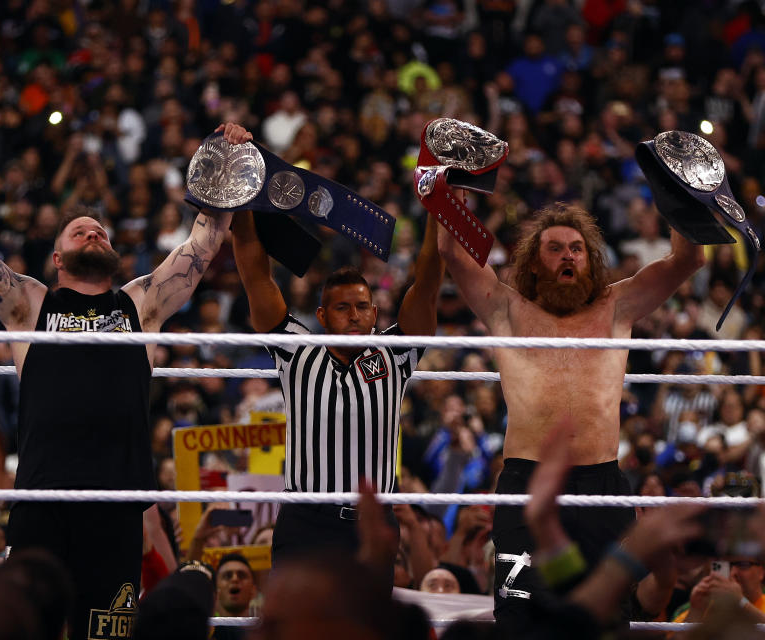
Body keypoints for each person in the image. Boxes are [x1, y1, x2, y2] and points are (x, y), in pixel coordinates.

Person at [0, 122, 246, 640]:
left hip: (115, 505)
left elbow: (204, 242)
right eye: (80, 230)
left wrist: (229, 164)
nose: (94, 233)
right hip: (41, 500)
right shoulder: (29, 303)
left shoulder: (142, 303)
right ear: (58, 257)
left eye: (101, 231)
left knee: (105, 633)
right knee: (26, 628)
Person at [437, 200, 706, 632]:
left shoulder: (617, 306)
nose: (568, 256)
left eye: (577, 248)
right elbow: (452, 253)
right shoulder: (506, 310)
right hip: (526, 485)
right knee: (518, 618)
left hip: (600, 485)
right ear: (534, 262)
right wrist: (450, 184)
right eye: (556, 248)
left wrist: (677, 189)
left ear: (590, 258)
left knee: (606, 619)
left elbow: (689, 258)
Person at [230, 203, 443, 570]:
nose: (355, 315)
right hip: (306, 523)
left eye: (362, 306)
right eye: (343, 308)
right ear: (322, 316)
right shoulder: (296, 350)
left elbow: (426, 286)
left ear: (376, 314)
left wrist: (442, 208)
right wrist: (241, 197)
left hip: (373, 523)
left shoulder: (395, 354)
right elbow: (256, 277)